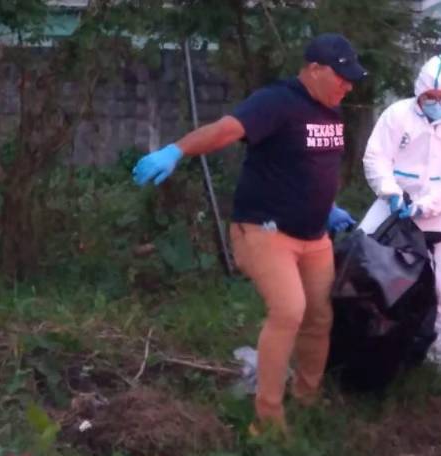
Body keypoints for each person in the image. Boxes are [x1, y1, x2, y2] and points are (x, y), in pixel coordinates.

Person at [131, 33, 365, 435]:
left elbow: (312, 166)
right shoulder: (277, 101)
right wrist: (177, 150)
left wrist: (328, 208)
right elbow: (226, 129)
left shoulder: (332, 111)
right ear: (314, 69)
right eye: (341, 78)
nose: (348, 86)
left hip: (315, 237)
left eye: (351, 80)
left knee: (320, 316)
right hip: (265, 230)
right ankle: (267, 421)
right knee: (289, 310)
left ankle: (308, 399)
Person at [362, 55, 441, 367]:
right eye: (430, 96)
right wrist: (390, 192)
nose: (436, 103)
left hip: (440, 215)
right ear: (419, 92)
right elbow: (376, 158)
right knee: (363, 263)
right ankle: (369, 346)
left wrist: (423, 207)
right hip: (392, 204)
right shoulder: (397, 115)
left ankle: (440, 358)